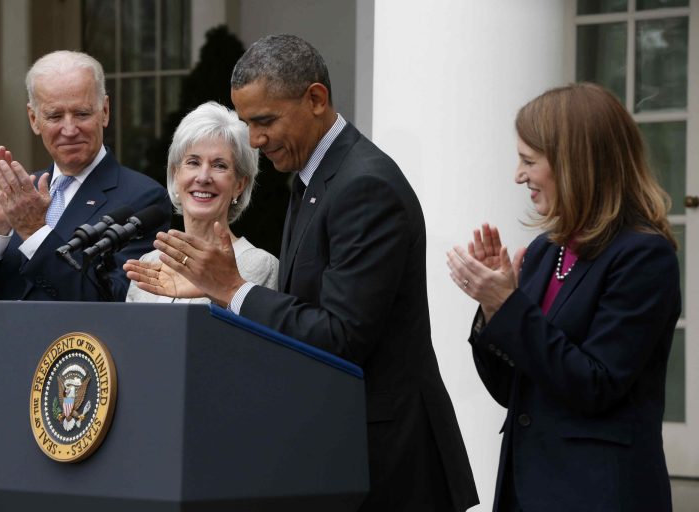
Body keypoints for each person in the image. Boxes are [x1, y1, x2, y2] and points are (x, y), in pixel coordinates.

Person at [130, 34, 479, 511]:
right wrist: (223, 294)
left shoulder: (365, 185)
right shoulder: (315, 178)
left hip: (390, 467)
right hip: (344, 454)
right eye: (249, 123)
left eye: (265, 121)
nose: (254, 140)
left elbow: (341, 335)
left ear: (316, 99)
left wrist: (233, 290)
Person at [446, 83, 681, 511]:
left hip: (597, 493)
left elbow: (596, 384)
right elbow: (510, 388)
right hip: (527, 489)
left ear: (575, 164)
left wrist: (509, 306)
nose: (518, 175)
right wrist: (491, 307)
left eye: (528, 161)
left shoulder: (644, 256)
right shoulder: (544, 251)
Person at [0, 50, 171, 327]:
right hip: (12, 366)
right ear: (34, 119)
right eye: (55, 116)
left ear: (104, 112)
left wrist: (35, 232)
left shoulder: (143, 199)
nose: (69, 129)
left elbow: (116, 309)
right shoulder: (18, 198)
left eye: (81, 113)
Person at [124, 101, 277, 302]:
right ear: (175, 174)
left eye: (219, 165)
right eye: (193, 162)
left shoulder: (260, 265)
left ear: (239, 185)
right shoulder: (149, 265)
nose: (203, 177)